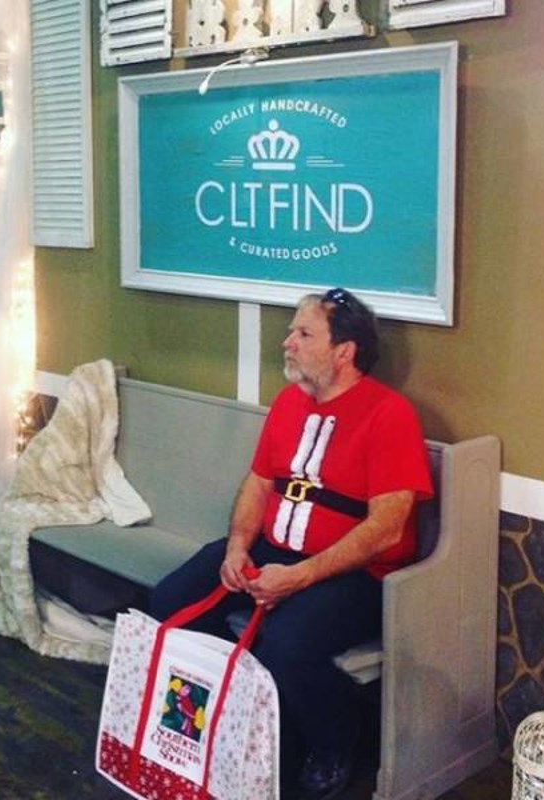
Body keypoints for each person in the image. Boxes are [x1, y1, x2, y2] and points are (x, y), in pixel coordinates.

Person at [149, 288, 434, 800]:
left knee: (286, 645)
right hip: (274, 550)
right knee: (171, 600)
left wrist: (301, 577)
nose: (288, 343)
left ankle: (335, 738)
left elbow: (388, 528)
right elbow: (260, 483)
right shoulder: (287, 403)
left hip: (357, 576)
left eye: (303, 334)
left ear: (344, 351)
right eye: (290, 332)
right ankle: (242, 708)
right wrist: (237, 548)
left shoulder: (389, 414)